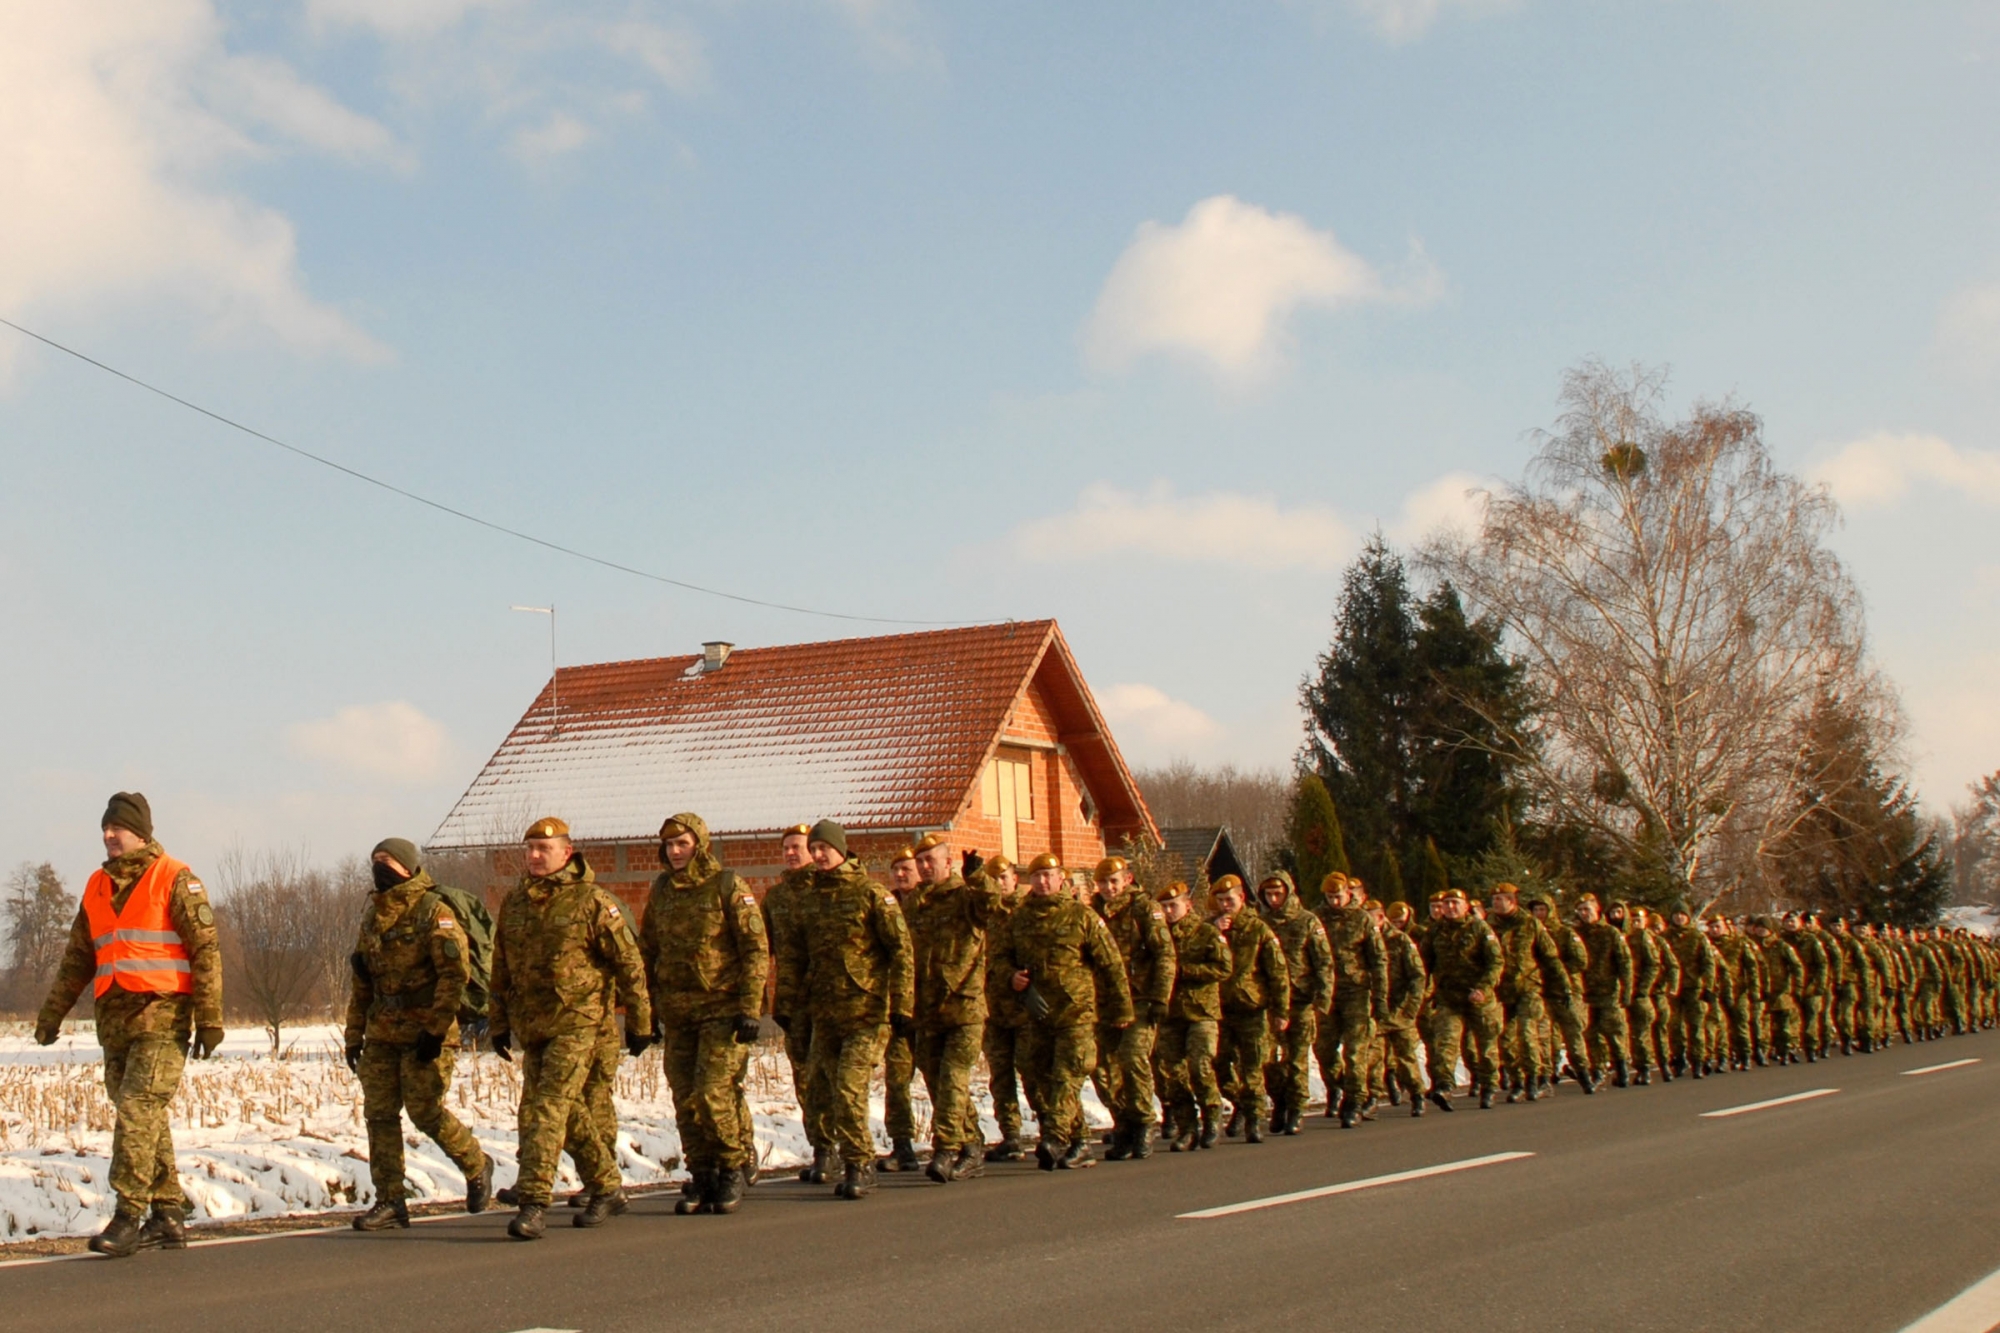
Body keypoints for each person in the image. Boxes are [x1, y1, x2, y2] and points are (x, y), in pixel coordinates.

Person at [34, 793, 223, 1256]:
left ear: (141, 832)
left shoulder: (175, 877)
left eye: (117, 827)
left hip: (164, 1016)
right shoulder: (97, 885)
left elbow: (206, 951)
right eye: (105, 827)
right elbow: (78, 958)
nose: (108, 835)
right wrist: (51, 1014)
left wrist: (211, 1018)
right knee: (141, 1115)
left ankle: (128, 1216)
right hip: (114, 1021)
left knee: (138, 1108)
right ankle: (169, 1214)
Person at [488, 817, 652, 1240]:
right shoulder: (517, 902)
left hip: (579, 1024)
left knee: (549, 1108)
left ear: (567, 852)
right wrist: (498, 1021)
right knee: (568, 1111)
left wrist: (640, 1021)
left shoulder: (592, 901)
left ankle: (534, 1201)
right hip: (534, 1024)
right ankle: (607, 1185)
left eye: (544, 850)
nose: (535, 857)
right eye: (530, 850)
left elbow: (629, 966)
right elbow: (501, 965)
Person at [345, 837, 492, 1231]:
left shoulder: (433, 911)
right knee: (379, 1115)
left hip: (426, 1032)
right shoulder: (373, 916)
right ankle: (390, 1200)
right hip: (382, 1032)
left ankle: (476, 1164)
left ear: (408, 866)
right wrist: (353, 1036)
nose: (380, 868)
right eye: (375, 860)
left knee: (425, 1111)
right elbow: (362, 985)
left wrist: (436, 1027)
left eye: (387, 861)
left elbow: (454, 975)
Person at [641, 813, 769, 1216]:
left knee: (713, 1091)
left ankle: (732, 1164)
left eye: (682, 844)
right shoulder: (661, 890)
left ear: (700, 844)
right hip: (679, 1013)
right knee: (684, 1096)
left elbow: (754, 949)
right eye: (669, 845)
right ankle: (702, 1172)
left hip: (723, 1010)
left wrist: (751, 1007)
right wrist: (647, 1010)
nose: (675, 852)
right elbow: (647, 950)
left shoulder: (727, 886)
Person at [778, 821, 913, 1200]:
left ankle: (860, 1164)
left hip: (866, 1013)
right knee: (820, 1090)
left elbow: (900, 951)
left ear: (841, 850)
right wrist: (786, 1005)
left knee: (849, 1088)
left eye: (824, 849)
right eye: (815, 850)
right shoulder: (809, 900)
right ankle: (831, 1154)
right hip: (825, 1014)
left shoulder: (870, 894)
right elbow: (793, 957)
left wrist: (902, 1005)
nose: (819, 856)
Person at [995, 853, 1133, 1171]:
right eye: (1037, 876)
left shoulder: (1080, 916)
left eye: (1049, 875)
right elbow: (999, 959)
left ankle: (1055, 1137)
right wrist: (1010, 977)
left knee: (1067, 1076)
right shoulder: (1018, 919)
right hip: (1037, 1013)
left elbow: (1110, 964)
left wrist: (1122, 1008)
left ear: (1061, 878)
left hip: (1077, 1013)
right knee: (1037, 1075)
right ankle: (1080, 1140)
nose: (1043, 881)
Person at [906, 833, 1005, 1183]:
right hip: (927, 1010)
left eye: (931, 860)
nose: (924, 867)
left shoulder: (966, 897)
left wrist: (979, 876)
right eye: (920, 862)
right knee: (936, 1082)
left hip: (964, 1008)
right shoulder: (914, 903)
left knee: (953, 1079)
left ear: (948, 863)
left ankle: (946, 1149)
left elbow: (992, 905)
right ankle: (972, 1145)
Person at [1086, 855, 1176, 1160]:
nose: (1109, 888)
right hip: (1104, 1003)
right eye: (1103, 883)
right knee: (1101, 1068)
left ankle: (1143, 1123)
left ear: (1128, 879)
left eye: (1114, 881)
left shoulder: (1144, 909)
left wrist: (1160, 997)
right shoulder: (1091, 913)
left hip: (1140, 1000)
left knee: (1132, 1057)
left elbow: (1164, 954)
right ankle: (1123, 1121)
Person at [762, 824, 833, 1181]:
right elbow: (764, 950)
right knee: (804, 1077)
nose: (793, 853)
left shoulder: (825, 889)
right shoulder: (775, 898)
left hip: (828, 998)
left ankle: (843, 1146)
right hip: (792, 1003)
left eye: (799, 848)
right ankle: (822, 1148)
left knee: (829, 1075)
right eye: (787, 848)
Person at [1210, 875, 1290, 1141]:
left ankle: (1255, 1120)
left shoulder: (1258, 930)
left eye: (1229, 900)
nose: (1225, 905)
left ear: (1241, 899)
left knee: (1253, 1067)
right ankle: (1241, 1102)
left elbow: (1277, 973)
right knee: (1219, 1064)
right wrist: (1214, 932)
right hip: (1220, 1010)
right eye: (1220, 901)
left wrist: (1281, 1011)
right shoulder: (1210, 928)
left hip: (1252, 1009)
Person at [1155, 881, 1232, 1151]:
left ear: (1188, 905)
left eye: (1173, 906)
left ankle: (1212, 1119)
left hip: (1201, 1013)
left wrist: (1186, 972)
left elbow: (1223, 968)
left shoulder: (1206, 933)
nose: (1168, 912)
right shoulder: (1159, 935)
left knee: (1200, 1066)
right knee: (1172, 1074)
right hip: (1170, 1015)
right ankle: (1187, 1126)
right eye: (1163, 907)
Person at [1257, 871, 1333, 1134]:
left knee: (1297, 1059)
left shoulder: (1308, 922)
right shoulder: (1262, 923)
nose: (1274, 899)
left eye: (1278, 894)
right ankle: (1279, 1101)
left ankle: (1297, 1108)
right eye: (1269, 894)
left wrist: (1322, 999)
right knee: (1265, 1060)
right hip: (1269, 1002)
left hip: (1301, 1001)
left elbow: (1324, 963)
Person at [1419, 888, 1503, 1110]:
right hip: (1449, 997)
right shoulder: (1435, 931)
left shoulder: (1479, 928)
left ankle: (1489, 1086)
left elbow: (1495, 962)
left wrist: (1484, 988)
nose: (1450, 908)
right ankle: (1445, 1086)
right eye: (1447, 904)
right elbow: (1424, 964)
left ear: (1466, 906)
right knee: (1445, 1042)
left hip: (1478, 997)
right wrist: (1424, 992)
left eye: (1455, 903)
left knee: (1485, 1047)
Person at [1313, 873, 1388, 1127]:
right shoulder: (1317, 919)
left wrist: (1380, 997)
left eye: (1339, 896)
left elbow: (1378, 960)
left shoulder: (1362, 919)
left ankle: (1356, 1101)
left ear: (1348, 894)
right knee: (1323, 1049)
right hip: (1326, 994)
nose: (1335, 902)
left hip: (1356, 992)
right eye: (1330, 897)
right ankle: (1337, 1087)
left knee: (1356, 1052)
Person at [1487, 883, 1567, 1103]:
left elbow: (1550, 956)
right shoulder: (1487, 926)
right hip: (1501, 991)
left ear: (1512, 901)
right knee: (1505, 1040)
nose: (1496, 903)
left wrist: (1564, 986)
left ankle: (1535, 1079)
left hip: (1528, 987)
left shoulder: (1530, 924)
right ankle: (1517, 1081)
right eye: (1494, 900)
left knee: (1527, 1034)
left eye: (1501, 899)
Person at [975, 856, 1029, 1161]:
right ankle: (1010, 1134)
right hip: (992, 1007)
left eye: (1004, 878)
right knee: (1000, 1074)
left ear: (1015, 880)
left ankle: (1055, 1130)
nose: (999, 884)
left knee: (1033, 1072)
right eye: (993, 879)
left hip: (1024, 1007)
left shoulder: (1026, 912)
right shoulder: (985, 914)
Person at [879, 845, 924, 1172]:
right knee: (896, 1078)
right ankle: (902, 1144)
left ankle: (961, 1140)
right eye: (896, 869)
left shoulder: (934, 903)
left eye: (907, 868)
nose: (900, 874)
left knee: (942, 1080)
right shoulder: (885, 905)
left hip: (932, 1005)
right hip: (897, 1007)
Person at [1372, 901, 1429, 1115]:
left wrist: (1411, 1007)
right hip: (1376, 1009)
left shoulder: (1401, 940)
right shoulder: (1365, 941)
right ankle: (1372, 1098)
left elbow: (1417, 975)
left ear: (1380, 918)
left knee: (1405, 1058)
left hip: (1399, 1009)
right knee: (1373, 1059)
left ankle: (1417, 1095)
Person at [1575, 895, 1634, 1087]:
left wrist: (1626, 990)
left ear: (1597, 911)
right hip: (1585, 992)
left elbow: (1625, 963)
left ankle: (1621, 1067)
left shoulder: (1610, 933)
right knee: (1591, 1034)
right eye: (1581, 910)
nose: (1584, 914)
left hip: (1609, 991)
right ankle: (1598, 1070)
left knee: (1615, 1032)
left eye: (1588, 910)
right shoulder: (1576, 934)